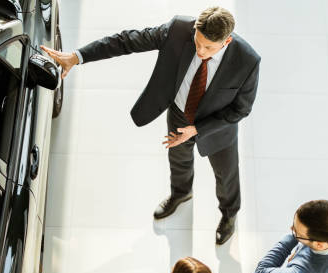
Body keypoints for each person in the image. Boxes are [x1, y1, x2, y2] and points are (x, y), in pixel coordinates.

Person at [40, 7, 261, 245]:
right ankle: (180, 193)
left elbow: (241, 109)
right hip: (179, 113)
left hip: (218, 126)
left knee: (226, 175)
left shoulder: (247, 60)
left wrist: (197, 130)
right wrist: (77, 56)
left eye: (208, 48)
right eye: (197, 42)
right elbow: (126, 41)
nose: (200, 50)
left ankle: (229, 215)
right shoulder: (178, 30)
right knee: (178, 160)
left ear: (226, 41)